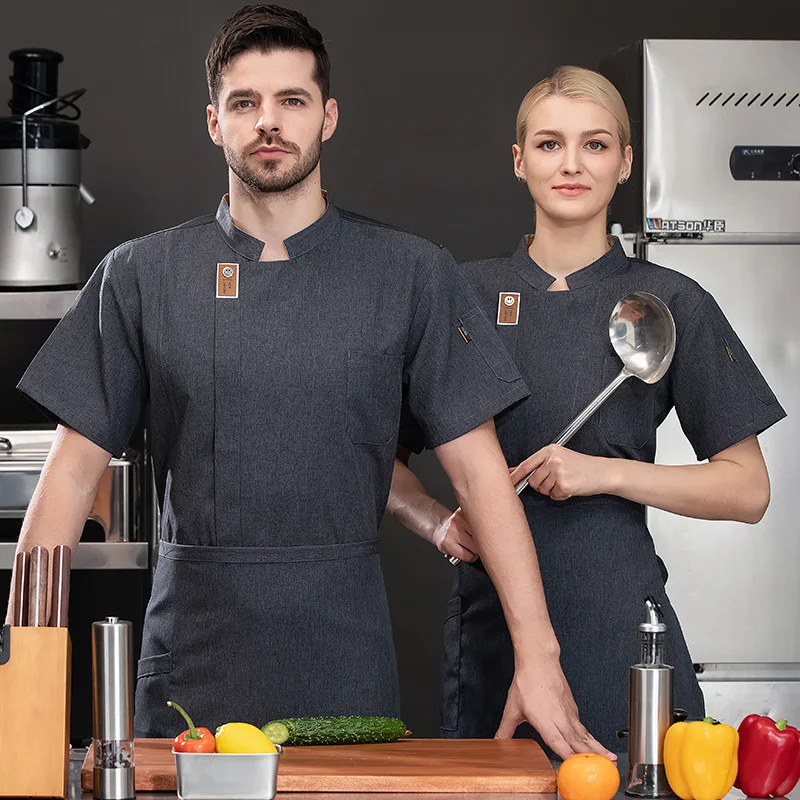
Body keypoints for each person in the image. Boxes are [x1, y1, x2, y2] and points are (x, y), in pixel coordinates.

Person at [5, 9, 612, 758]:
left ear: (327, 118)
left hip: (344, 664)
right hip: (189, 667)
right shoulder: (139, 276)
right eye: (244, 103)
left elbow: (481, 476)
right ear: (213, 122)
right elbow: (66, 480)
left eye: (291, 101)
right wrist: (20, 688)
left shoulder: (409, 273)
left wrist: (539, 657)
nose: (268, 123)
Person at [388, 65, 785, 754]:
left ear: (625, 161)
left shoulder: (671, 302)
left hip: (620, 631)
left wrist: (602, 473)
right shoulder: (461, 296)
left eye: (596, 144)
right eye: (548, 144)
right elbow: (373, 458)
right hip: (492, 635)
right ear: (519, 161)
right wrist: (436, 521)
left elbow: (747, 489)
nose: (571, 164)